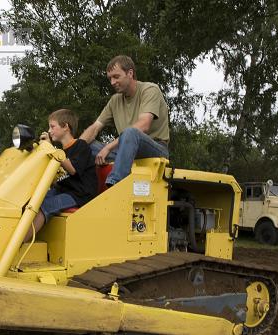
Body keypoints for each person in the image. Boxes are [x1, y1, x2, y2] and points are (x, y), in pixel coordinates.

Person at [79, 55, 170, 187]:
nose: (112, 82)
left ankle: (115, 183)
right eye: (110, 78)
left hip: (154, 151)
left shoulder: (150, 90)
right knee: (87, 146)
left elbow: (143, 125)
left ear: (130, 73)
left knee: (131, 132)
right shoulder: (115, 100)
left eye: (116, 77)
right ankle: (75, 188)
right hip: (124, 152)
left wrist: (108, 148)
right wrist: (74, 150)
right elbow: (95, 127)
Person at [24, 109, 97, 241]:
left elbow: (73, 169)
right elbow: (55, 180)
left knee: (45, 205)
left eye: (52, 126)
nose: (49, 130)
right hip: (63, 191)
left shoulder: (81, 145)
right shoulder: (61, 151)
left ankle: (20, 243)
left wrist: (52, 149)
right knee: (31, 200)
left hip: (80, 195)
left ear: (66, 127)